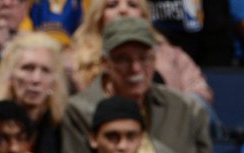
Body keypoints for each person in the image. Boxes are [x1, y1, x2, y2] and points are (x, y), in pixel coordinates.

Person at [60, 17, 244, 153]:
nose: (135, 68)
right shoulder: (80, 110)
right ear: (105, 63)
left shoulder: (185, 107)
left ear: (155, 59)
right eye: (123, 59)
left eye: (144, 58)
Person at [68, 0, 212, 103]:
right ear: (98, 15)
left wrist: (175, 111)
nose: (123, 10)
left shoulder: (171, 54)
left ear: (144, 14)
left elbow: (200, 94)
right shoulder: (72, 60)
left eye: (132, 4)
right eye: (112, 5)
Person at [0, 32, 68, 153]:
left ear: (55, 81)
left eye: (45, 70)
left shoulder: (63, 124)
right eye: (27, 68)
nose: (36, 79)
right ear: (9, 76)